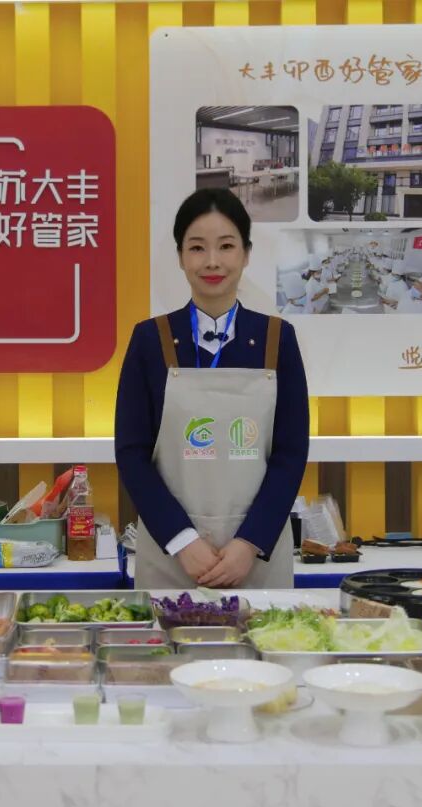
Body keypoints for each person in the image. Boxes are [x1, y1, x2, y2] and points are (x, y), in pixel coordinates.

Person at [115, 188, 309, 588]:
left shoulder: (277, 340)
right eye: (197, 248)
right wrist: (182, 540)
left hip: (255, 557)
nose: (212, 261)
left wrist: (249, 543)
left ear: (246, 254)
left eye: (226, 246)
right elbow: (132, 453)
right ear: (180, 257)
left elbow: (290, 454)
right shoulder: (151, 340)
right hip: (172, 556)